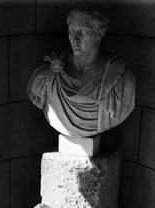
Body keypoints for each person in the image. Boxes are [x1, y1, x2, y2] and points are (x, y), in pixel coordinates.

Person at [27, 4, 136, 137]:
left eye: (83, 32)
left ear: (100, 33)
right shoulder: (46, 78)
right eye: (72, 31)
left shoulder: (122, 77)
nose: (75, 38)